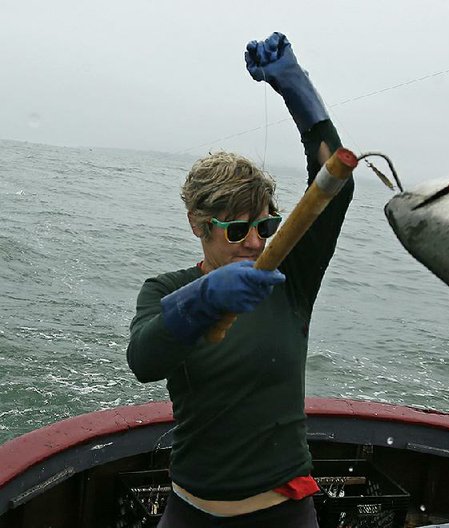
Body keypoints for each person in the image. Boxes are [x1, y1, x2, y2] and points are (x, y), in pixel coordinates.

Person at [126, 32, 353, 527]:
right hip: (190, 512)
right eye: (235, 228)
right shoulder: (165, 292)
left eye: (264, 225)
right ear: (198, 226)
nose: (254, 243)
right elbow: (145, 359)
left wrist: (296, 89)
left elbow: (335, 177)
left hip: (286, 513)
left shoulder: (288, 278)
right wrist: (204, 299)